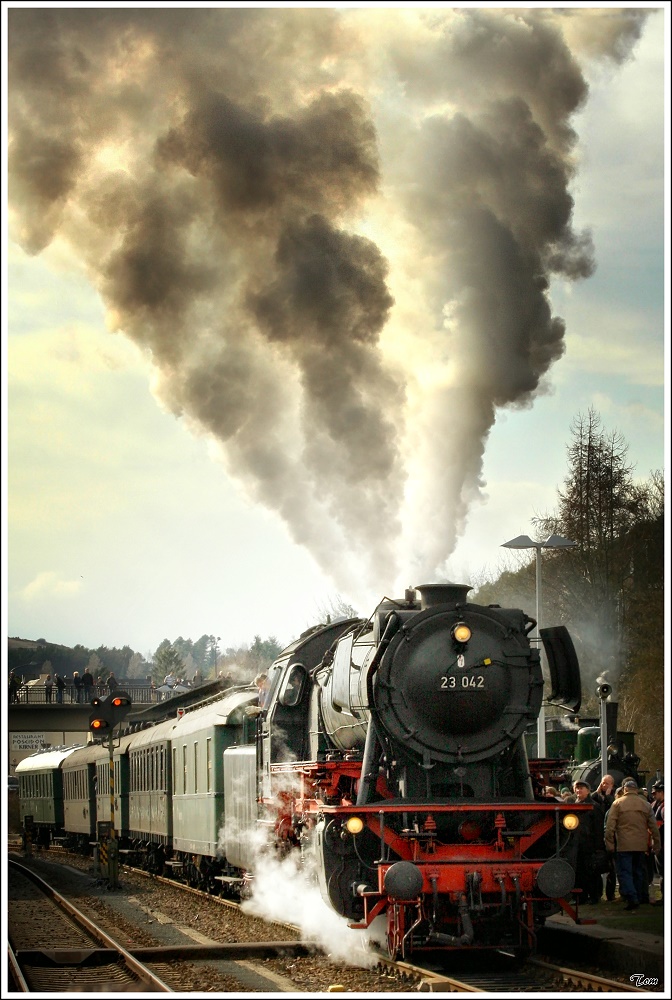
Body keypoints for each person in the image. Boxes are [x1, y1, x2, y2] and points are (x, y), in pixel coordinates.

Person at [605, 778, 661, 911]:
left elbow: (610, 827)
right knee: (638, 871)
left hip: (624, 845)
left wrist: (610, 844)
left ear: (625, 789)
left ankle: (632, 898)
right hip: (641, 845)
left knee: (625, 872)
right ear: (636, 790)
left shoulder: (617, 804)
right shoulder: (645, 805)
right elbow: (654, 827)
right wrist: (657, 844)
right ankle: (640, 896)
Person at [572, 779, 605, 905]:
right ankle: (581, 896)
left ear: (588, 791)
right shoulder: (574, 805)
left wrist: (598, 846)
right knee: (579, 871)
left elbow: (598, 828)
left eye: (581, 788)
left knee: (592, 871)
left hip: (590, 845)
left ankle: (594, 896)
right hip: (577, 844)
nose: (578, 790)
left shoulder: (594, 807)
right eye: (577, 788)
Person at [591, 774, 616, 901]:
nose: (604, 785)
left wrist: (608, 795)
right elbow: (591, 800)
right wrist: (597, 792)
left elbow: (612, 806)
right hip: (599, 835)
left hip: (610, 836)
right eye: (603, 783)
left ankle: (610, 894)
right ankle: (598, 893)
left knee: (612, 868)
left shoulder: (613, 797)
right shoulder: (596, 796)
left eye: (607, 783)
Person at [651, 780, 664, 902]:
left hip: (662, 844)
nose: (653, 795)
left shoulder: (663, 807)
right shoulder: (658, 805)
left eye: (655, 793)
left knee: (663, 872)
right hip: (660, 843)